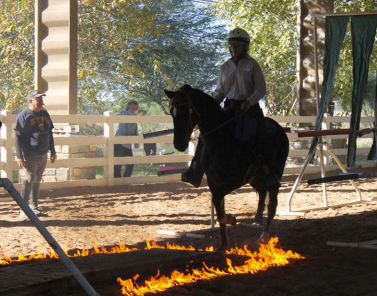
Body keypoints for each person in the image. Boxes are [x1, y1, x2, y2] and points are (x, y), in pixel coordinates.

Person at [181, 27, 280, 190]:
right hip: (230, 107)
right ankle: (195, 170)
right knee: (208, 133)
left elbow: (261, 89)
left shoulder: (253, 65)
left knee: (261, 134)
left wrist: (249, 102)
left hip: (250, 108)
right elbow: (220, 91)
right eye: (232, 45)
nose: (234, 48)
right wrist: (213, 103)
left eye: (238, 45)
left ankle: (269, 172)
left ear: (245, 46)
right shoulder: (224, 67)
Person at [15, 90, 57, 219]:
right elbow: (18, 137)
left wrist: (53, 150)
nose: (41, 102)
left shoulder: (45, 113)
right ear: (30, 101)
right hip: (30, 154)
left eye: (41, 100)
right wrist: (19, 155)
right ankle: (23, 210)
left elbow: (49, 133)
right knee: (28, 181)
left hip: (43, 153)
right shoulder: (23, 116)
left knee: (37, 180)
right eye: (38, 100)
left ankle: (34, 207)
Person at [114, 100, 140, 178]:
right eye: (132, 108)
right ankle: (117, 181)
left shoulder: (135, 118)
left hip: (128, 144)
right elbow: (123, 123)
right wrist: (133, 113)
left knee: (130, 163)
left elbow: (135, 130)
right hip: (119, 143)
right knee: (117, 164)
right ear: (128, 107)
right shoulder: (123, 113)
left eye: (135, 109)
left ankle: (126, 179)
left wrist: (136, 144)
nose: (133, 110)